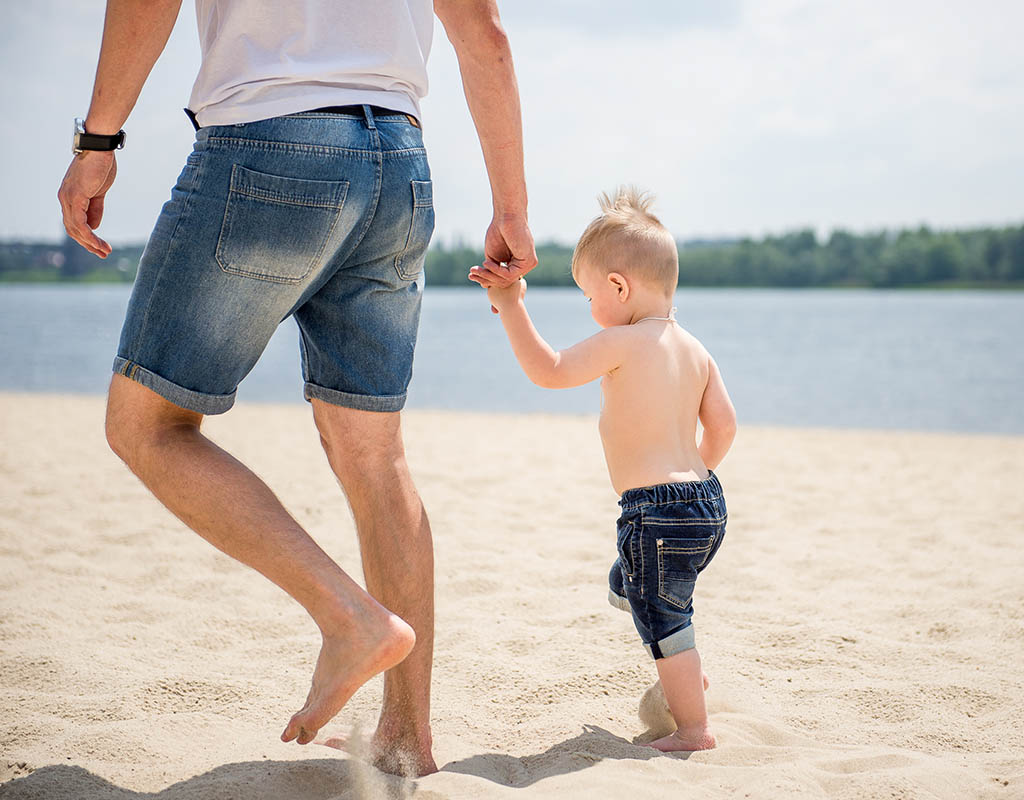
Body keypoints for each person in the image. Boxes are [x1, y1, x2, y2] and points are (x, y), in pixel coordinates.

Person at [56, 0, 535, 776]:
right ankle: (406, 741)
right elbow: (484, 31)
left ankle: (348, 617)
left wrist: (99, 140)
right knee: (377, 458)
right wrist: (511, 206)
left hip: (268, 141)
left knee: (145, 426)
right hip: (399, 160)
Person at [468, 187, 737, 751]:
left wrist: (513, 306)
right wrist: (691, 483)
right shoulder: (695, 349)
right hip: (707, 504)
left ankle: (694, 727)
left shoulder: (621, 340)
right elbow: (724, 429)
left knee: (664, 618)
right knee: (650, 591)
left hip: (653, 513)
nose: (590, 308)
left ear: (619, 286)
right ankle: (686, 675)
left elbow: (550, 368)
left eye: (589, 295)